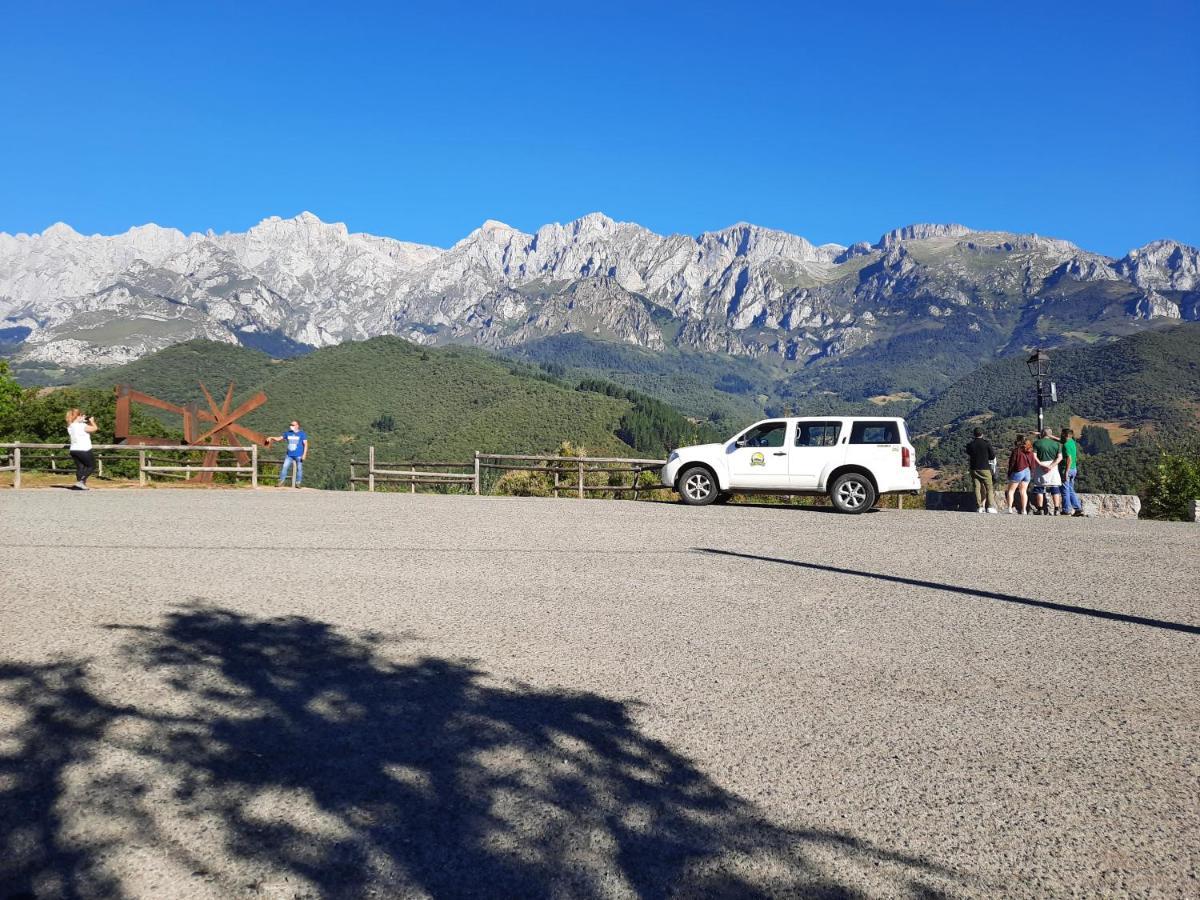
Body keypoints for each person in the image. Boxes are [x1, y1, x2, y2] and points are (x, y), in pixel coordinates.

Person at [1031, 427, 1063, 515]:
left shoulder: (1037, 443)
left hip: (1040, 466)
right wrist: (1051, 466)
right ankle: (1056, 509)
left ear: (1042, 434)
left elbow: (1034, 456)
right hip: (1053, 467)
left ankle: (1040, 509)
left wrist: (1041, 465)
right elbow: (1060, 457)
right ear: (1050, 434)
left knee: (1039, 488)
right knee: (1055, 488)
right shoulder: (1057, 444)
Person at [965, 427, 998, 513]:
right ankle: (990, 506)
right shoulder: (986, 444)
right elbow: (992, 456)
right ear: (982, 434)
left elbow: (968, 452)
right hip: (985, 468)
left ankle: (979, 507)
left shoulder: (970, 444)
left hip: (974, 468)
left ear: (974, 434)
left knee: (977, 487)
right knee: (989, 487)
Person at [267, 420, 308, 487]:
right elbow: (279, 438)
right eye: (291, 424)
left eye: (293, 425)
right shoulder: (287, 433)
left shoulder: (302, 434)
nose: (291, 426)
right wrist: (271, 437)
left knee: (299, 469)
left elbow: (306, 444)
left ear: (297, 426)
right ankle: (281, 482)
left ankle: (298, 483)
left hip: (299, 455)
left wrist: (304, 454)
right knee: (284, 467)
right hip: (289, 455)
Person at [65, 408, 98, 491]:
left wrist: (82, 420)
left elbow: (75, 425)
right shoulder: (82, 426)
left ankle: (79, 485)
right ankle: (81, 482)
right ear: (77, 416)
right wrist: (92, 421)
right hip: (84, 449)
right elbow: (95, 428)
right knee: (92, 466)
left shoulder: (70, 426)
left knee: (80, 467)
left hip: (74, 450)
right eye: (81, 415)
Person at [1004, 435, 1037, 515]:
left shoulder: (1016, 451)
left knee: (1011, 491)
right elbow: (1033, 463)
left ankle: (1009, 509)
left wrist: (1009, 473)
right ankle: (1024, 510)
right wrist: (1032, 472)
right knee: (1023, 491)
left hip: (1018, 471)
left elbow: (1012, 463)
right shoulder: (1031, 452)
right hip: (1027, 472)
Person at [1059, 427, 1084, 517]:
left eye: (1062, 434)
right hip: (1074, 469)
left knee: (1065, 491)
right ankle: (1078, 508)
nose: (1060, 435)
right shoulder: (1072, 442)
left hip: (1067, 470)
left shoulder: (1065, 445)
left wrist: (1066, 472)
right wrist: (1049, 436)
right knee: (1070, 490)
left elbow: (1068, 458)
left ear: (1064, 435)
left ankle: (1066, 510)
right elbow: (1059, 440)